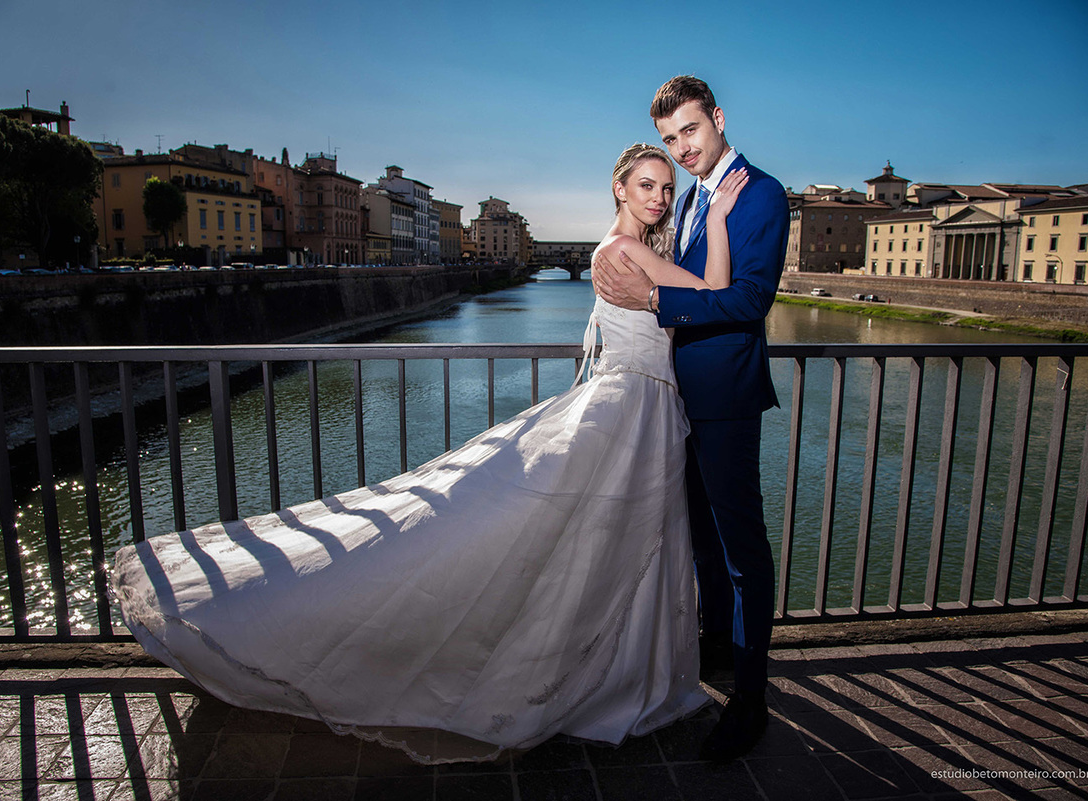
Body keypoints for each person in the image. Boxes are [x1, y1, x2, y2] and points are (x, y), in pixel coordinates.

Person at [110, 143, 745, 765]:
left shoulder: (622, 248)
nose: (660, 198)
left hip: (636, 405)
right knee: (604, 540)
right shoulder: (628, 248)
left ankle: (607, 667)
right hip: (635, 408)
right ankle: (608, 673)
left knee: (598, 540)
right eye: (647, 186)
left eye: (666, 188)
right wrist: (717, 216)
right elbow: (718, 291)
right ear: (619, 188)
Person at [591, 75, 789, 761]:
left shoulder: (760, 193)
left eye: (691, 133)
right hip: (674, 400)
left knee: (740, 552)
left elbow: (748, 300)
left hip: (727, 399)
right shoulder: (693, 197)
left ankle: (752, 698)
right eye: (672, 140)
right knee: (700, 539)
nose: (683, 150)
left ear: (719, 119)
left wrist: (652, 299)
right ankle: (715, 650)